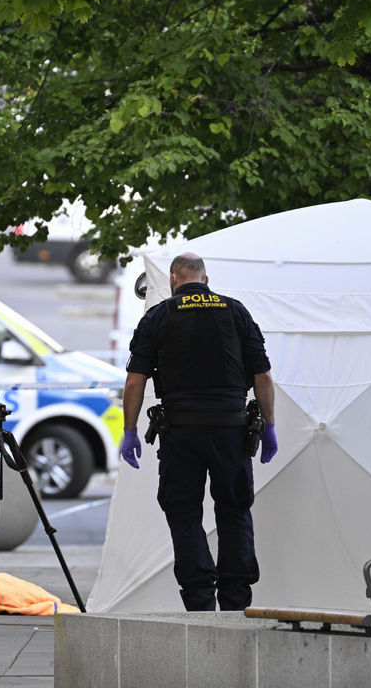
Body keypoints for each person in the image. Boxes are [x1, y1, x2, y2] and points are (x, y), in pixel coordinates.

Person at [119, 253, 278, 611]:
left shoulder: (157, 316)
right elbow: (263, 376)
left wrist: (130, 431)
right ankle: (236, 600)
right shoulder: (236, 312)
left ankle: (199, 598)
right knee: (234, 510)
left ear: (173, 280)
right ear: (206, 280)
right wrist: (270, 425)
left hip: (181, 432)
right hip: (231, 430)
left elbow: (135, 382)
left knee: (184, 511)